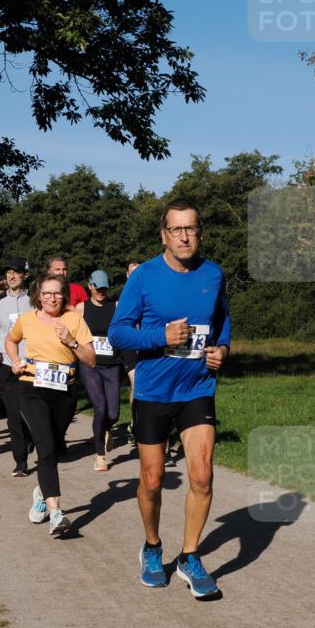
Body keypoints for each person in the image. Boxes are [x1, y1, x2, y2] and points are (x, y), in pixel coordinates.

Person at [108, 199, 231, 599]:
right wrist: (161, 337)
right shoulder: (143, 277)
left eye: (191, 228)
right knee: (153, 479)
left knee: (202, 473)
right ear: (164, 234)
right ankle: (152, 545)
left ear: (200, 233)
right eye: (176, 229)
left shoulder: (213, 275)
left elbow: (222, 321)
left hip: (197, 387)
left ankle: (190, 556)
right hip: (153, 390)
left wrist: (222, 350)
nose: (184, 236)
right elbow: (118, 333)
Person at [5, 274, 95, 536]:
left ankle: (41, 493)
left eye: (57, 293)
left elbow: (91, 360)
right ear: (38, 295)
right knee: (44, 446)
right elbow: (11, 341)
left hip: (65, 391)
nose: (52, 298)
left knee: (54, 447)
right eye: (47, 293)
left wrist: (72, 341)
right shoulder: (28, 319)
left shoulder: (73, 320)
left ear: (64, 295)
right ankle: (56, 512)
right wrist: (14, 360)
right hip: (32, 387)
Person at [0, 257, 33, 476]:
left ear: (25, 275)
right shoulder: (0, 305)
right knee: (14, 415)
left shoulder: (34, 302)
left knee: (31, 414)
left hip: (31, 365)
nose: (11, 276)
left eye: (15, 272)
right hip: (7, 366)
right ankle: (21, 462)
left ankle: (32, 438)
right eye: (8, 273)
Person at [77, 270, 122, 471]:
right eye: (98, 288)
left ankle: (107, 428)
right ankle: (100, 456)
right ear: (90, 286)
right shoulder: (81, 308)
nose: (101, 292)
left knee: (113, 413)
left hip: (112, 364)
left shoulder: (116, 306)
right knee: (100, 407)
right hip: (90, 365)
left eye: (104, 288)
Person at [120, 260, 142, 446]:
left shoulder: (149, 291)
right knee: (136, 384)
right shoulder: (123, 297)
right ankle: (136, 422)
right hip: (129, 347)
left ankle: (144, 422)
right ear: (127, 275)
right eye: (132, 272)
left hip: (147, 345)